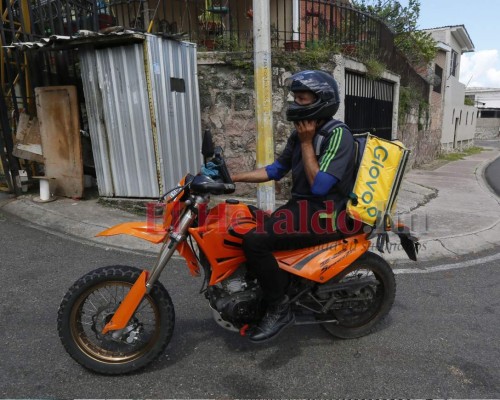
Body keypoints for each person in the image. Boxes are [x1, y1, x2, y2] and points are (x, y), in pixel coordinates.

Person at [231, 70, 357, 343]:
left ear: (321, 100)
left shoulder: (337, 135)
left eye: (301, 98)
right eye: (295, 98)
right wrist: (231, 178)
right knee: (242, 227)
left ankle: (280, 307)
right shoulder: (300, 133)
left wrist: (307, 142)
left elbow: (320, 187)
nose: (294, 104)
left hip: (324, 215)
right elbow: (275, 170)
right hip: (301, 208)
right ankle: (267, 293)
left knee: (256, 242)